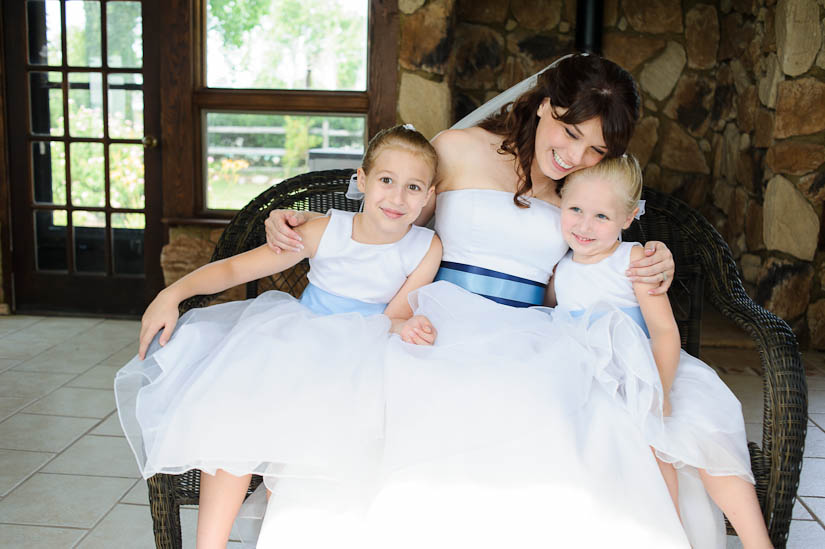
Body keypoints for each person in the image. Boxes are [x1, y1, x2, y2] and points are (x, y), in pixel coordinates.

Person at [257, 55, 714, 548]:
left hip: (529, 333)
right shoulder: (457, 150)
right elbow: (387, 219)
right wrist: (305, 227)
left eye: (595, 148)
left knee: (566, 426)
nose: (575, 157)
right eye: (569, 132)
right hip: (437, 319)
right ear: (544, 106)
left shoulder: (583, 193)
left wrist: (655, 256)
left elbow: (594, 262)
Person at [114, 124, 443, 549]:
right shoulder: (324, 230)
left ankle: (282, 534)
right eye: (386, 180)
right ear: (361, 180)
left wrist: (407, 326)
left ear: (429, 194)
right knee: (234, 417)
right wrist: (172, 292)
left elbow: (391, 319)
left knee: (313, 438)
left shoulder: (424, 247)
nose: (398, 198)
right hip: (296, 343)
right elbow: (235, 269)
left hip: (361, 355)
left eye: (413, 187)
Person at [551, 155, 772, 549]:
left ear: (629, 216)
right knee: (637, 451)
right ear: (560, 203)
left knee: (698, 433)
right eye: (575, 210)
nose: (584, 225)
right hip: (596, 381)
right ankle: (668, 539)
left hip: (652, 370)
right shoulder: (560, 268)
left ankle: (759, 543)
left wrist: (660, 391)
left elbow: (665, 331)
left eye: (601, 216)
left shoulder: (633, 260)